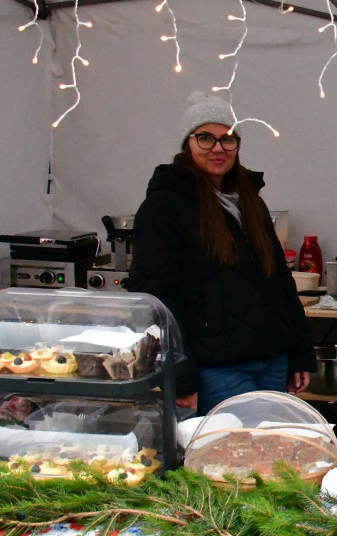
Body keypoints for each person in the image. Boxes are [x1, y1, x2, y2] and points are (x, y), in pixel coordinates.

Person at [127, 91, 315, 415]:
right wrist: (179, 373)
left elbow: (280, 281)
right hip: (217, 370)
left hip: (271, 362)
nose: (218, 148)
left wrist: (299, 351)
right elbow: (156, 299)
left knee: (270, 456)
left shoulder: (250, 201)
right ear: (188, 143)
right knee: (238, 459)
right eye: (205, 138)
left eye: (227, 139)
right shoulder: (164, 207)